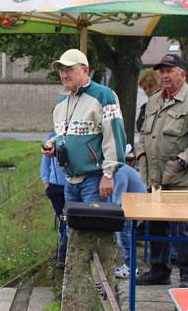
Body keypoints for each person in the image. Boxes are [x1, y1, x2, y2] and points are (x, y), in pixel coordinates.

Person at [136, 54, 188, 287]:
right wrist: (141, 154)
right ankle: (160, 270)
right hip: (154, 175)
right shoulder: (153, 101)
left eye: (170, 70)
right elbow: (144, 133)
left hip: (180, 177)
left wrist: (181, 161)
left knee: (185, 227)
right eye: (162, 71)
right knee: (156, 224)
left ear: (182, 73)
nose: (165, 75)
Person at [42, 49, 126, 203]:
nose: (64, 75)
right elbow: (64, 135)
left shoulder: (104, 95)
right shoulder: (62, 102)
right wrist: (53, 144)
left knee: (92, 226)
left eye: (70, 70)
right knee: (72, 226)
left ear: (85, 70)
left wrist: (108, 175)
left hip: (94, 179)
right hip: (69, 180)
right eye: (61, 70)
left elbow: (114, 136)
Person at [107, 146, 147, 279]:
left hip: (133, 209)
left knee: (124, 237)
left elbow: (119, 200)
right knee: (124, 237)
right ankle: (129, 265)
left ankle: (131, 267)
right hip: (134, 206)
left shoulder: (119, 172)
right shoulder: (123, 169)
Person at [40, 135, 68, 268]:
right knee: (62, 219)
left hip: (72, 186)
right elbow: (45, 164)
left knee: (67, 221)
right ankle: (62, 253)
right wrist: (47, 183)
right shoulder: (51, 138)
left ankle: (63, 255)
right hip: (55, 187)